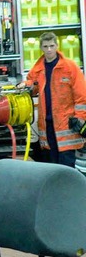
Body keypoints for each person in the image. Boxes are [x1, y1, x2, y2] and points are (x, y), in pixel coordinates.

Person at [18, 31, 86, 167]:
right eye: (45, 46)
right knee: (51, 166)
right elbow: (32, 84)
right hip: (47, 125)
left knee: (67, 167)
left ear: (57, 45)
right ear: (41, 48)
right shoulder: (38, 69)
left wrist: (80, 118)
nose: (49, 49)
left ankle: (68, 189)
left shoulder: (69, 67)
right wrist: (24, 86)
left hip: (67, 125)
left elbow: (82, 95)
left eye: (51, 46)